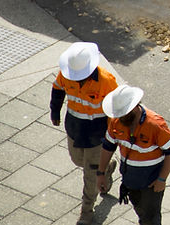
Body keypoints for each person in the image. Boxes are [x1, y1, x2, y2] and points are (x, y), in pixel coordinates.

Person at [50, 42, 119, 225]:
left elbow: (115, 110)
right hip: (74, 129)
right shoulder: (66, 74)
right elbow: (58, 88)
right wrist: (55, 110)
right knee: (78, 160)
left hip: (97, 135)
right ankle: (107, 168)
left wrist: (112, 136)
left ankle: (87, 211)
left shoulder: (106, 81)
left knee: (90, 174)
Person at [98, 84, 170, 225]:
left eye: (124, 113)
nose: (120, 118)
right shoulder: (116, 121)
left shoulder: (155, 124)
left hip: (151, 183)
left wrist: (161, 179)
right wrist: (101, 173)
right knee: (140, 210)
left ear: (135, 106)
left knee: (151, 218)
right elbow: (108, 146)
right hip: (130, 179)